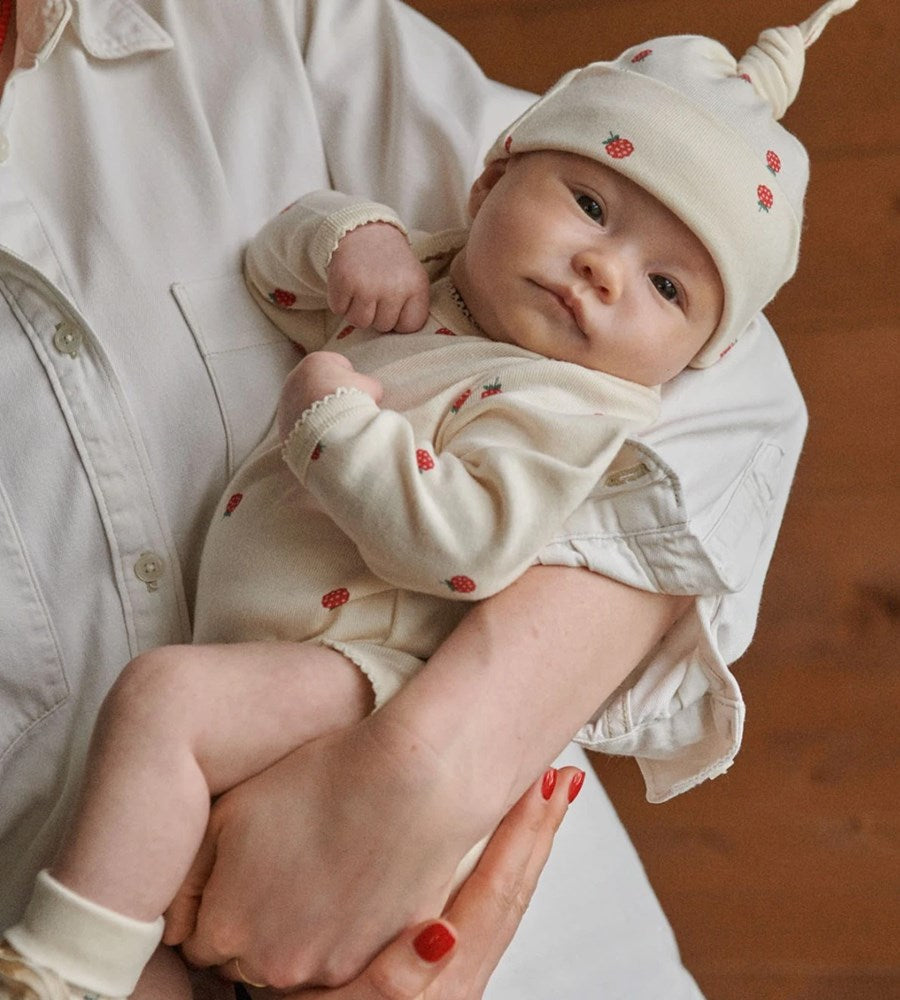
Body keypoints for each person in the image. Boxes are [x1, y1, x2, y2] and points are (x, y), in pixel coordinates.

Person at [1, 2, 860, 997]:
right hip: (206, 804)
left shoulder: (569, 412)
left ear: (691, 359)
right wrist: (354, 233)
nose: (603, 267)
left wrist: (425, 768)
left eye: (668, 288)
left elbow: (468, 542)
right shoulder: (444, 278)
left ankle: (55, 969)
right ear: (492, 176)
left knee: (162, 702)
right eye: (590, 207)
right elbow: (277, 276)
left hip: (366, 680)